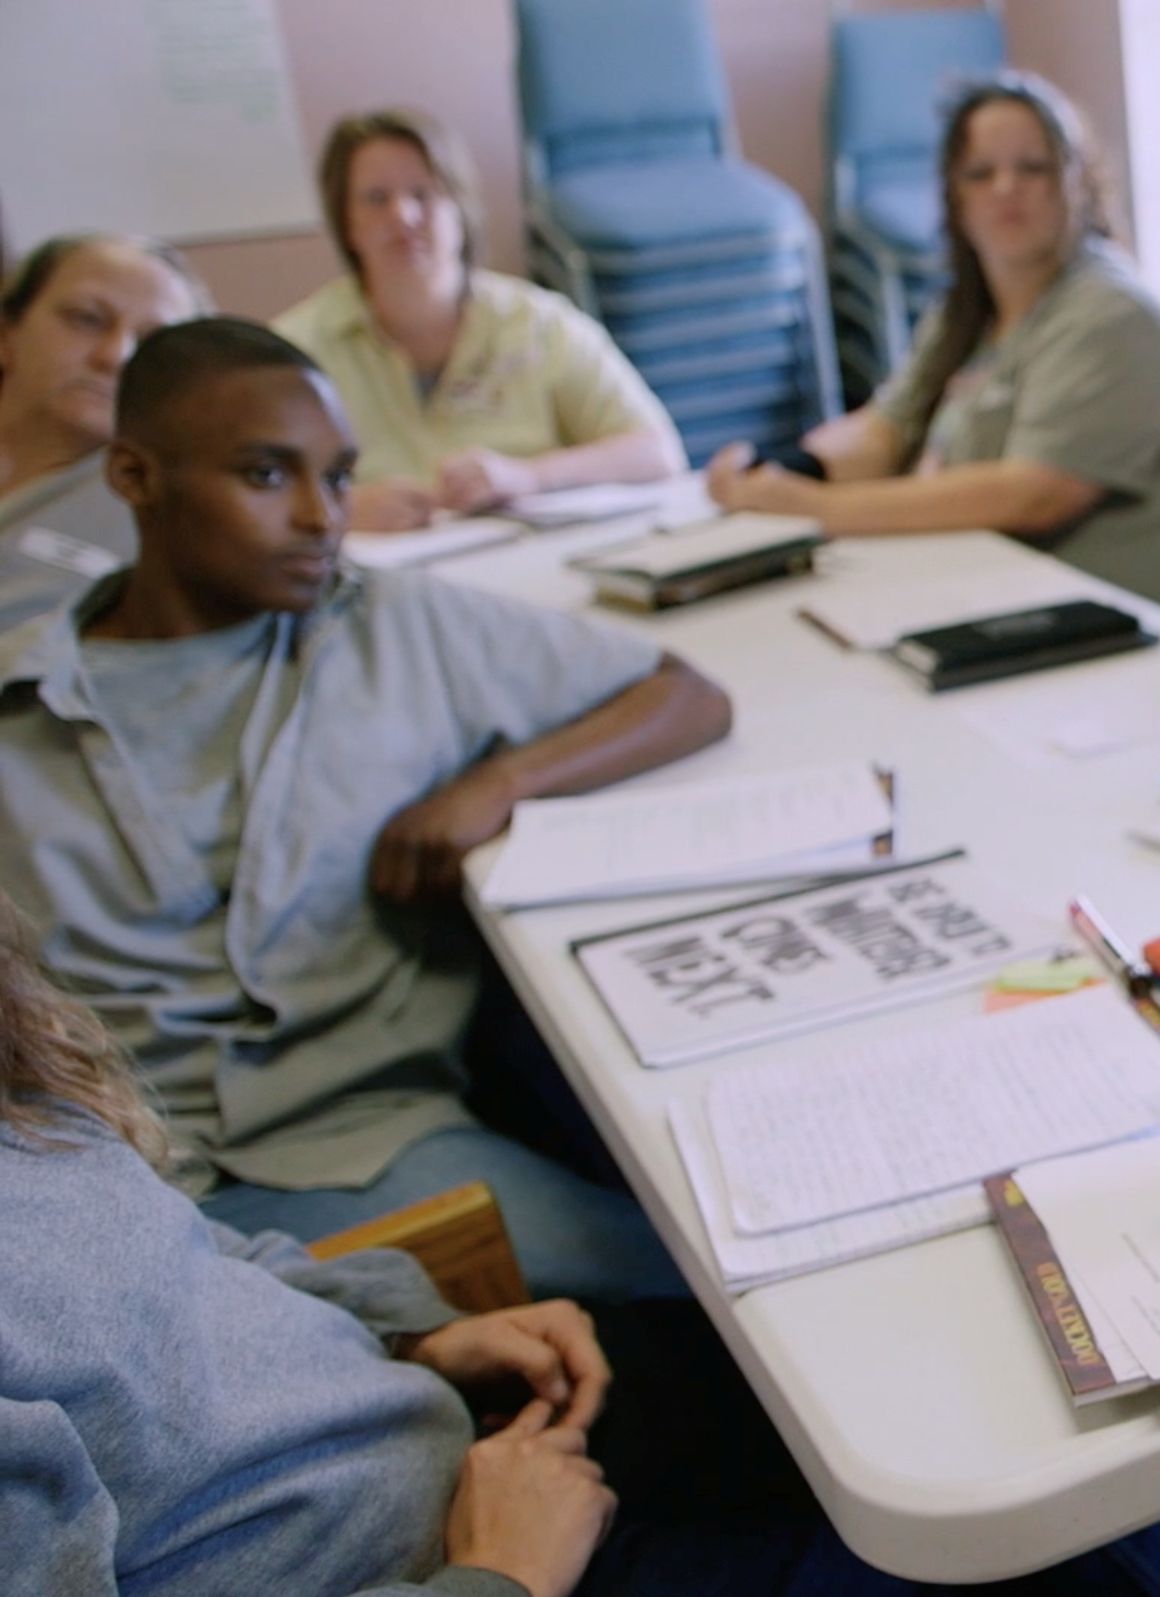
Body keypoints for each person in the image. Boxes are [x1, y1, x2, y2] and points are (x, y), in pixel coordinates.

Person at [0, 318, 732, 1302]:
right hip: (116, 1187)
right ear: (134, 477)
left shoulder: (389, 624)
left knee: (699, 1282)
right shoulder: (20, 705)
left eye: (339, 477)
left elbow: (684, 692)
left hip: (362, 1144)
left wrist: (495, 785)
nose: (320, 516)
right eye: (267, 477)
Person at [0, 886, 1005, 1597]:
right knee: (1022, 1557)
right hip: (445, 1564)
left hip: (438, 1427)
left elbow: (193, 1257)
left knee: (900, 1380)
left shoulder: (25, 1106)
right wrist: (499, 1574)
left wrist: (413, 1331)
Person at [706, 73, 1160, 608]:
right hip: (1006, 589)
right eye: (981, 173)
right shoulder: (963, 315)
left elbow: (1036, 493)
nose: (1006, 188)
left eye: (1034, 168)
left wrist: (817, 508)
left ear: (1079, 183)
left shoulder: (1112, 316)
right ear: (954, 197)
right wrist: (780, 470)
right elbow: (888, 431)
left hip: (1140, 618)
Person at [272, 109, 683, 533]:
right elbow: (246, 504)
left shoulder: (540, 323)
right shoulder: (294, 352)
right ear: (346, 223)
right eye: (376, 198)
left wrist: (528, 476)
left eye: (423, 194)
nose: (403, 216)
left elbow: (656, 452)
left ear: (460, 209)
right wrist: (342, 508)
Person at [0, 234, 209, 631]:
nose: (115, 356)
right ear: (6, 332)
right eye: (86, 318)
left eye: (152, 343)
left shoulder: (167, 520)